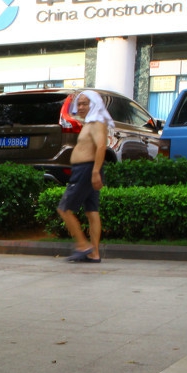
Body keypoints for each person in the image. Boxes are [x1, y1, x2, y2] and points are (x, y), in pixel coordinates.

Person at [59, 89, 112, 264]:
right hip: (86, 169)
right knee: (92, 211)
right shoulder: (90, 123)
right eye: (79, 104)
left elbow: (101, 146)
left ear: (94, 104)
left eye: (84, 104)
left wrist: (95, 172)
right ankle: (94, 253)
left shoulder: (96, 123)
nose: (80, 107)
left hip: (86, 170)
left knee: (64, 209)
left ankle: (83, 245)